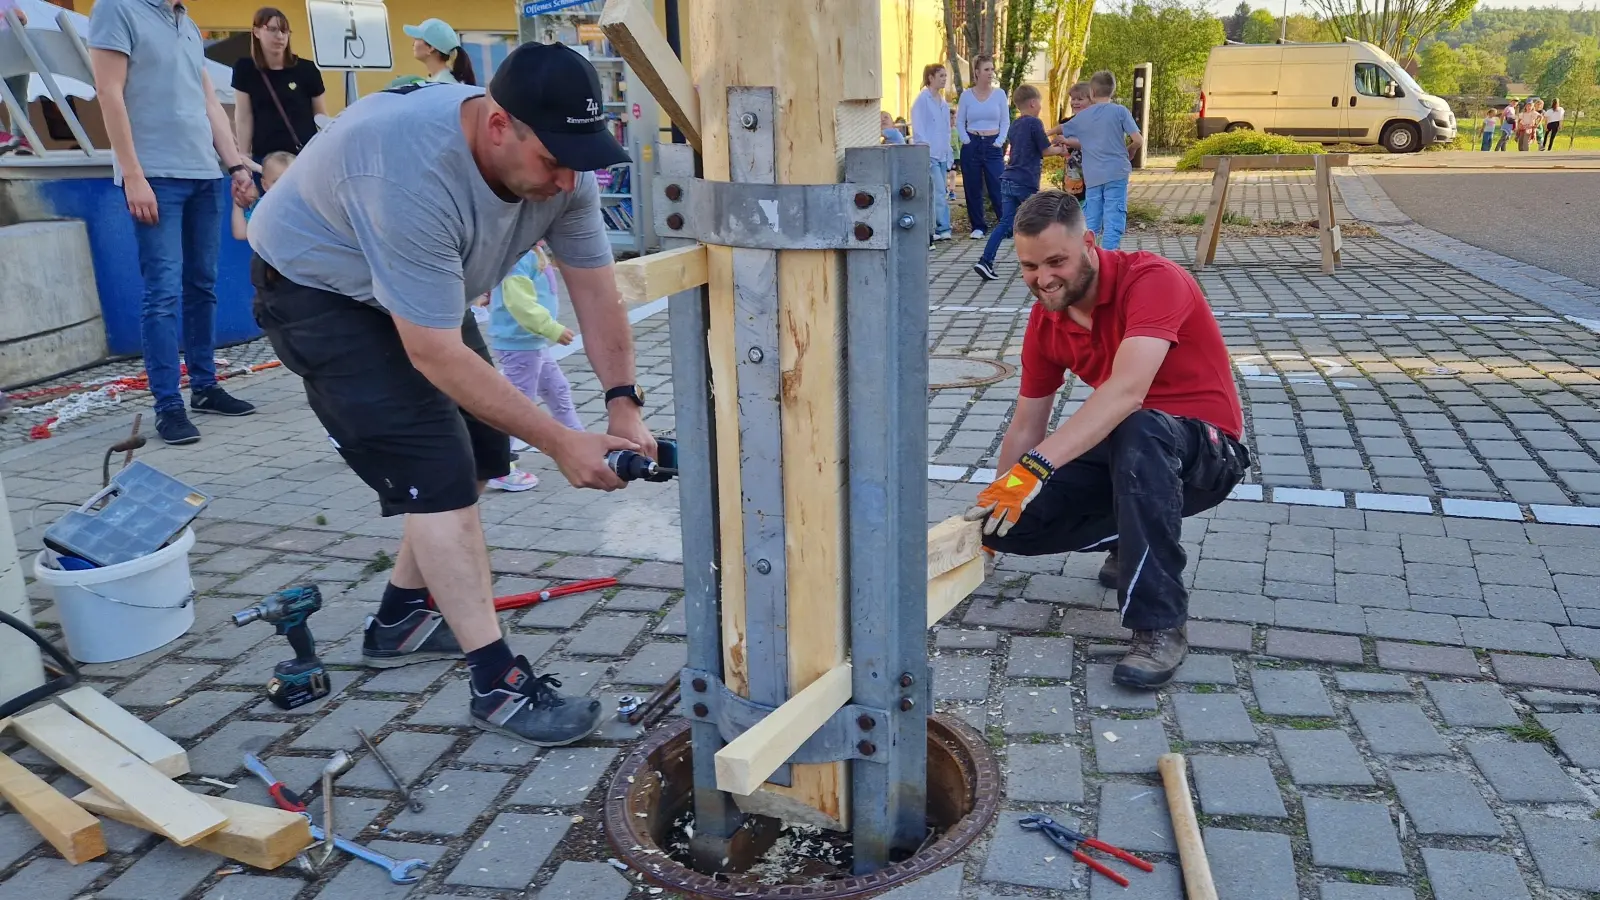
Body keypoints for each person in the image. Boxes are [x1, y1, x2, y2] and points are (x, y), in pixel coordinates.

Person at [248, 42, 654, 747]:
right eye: (552, 161)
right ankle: (496, 684)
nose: (565, 183)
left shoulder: (567, 170)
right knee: (434, 470)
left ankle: (401, 619)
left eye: (576, 162)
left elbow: (596, 294)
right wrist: (561, 441)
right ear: (499, 125)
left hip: (410, 286)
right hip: (318, 289)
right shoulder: (408, 172)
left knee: (481, 451)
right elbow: (431, 350)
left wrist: (623, 403)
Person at [966, 190, 1247, 688]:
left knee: (1139, 425)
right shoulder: (1045, 321)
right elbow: (1028, 424)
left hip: (1208, 453)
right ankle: (1129, 538)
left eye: (1057, 261)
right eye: (1030, 267)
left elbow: (1126, 392)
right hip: (1134, 452)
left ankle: (1160, 625)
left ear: (1089, 244)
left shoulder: (1153, 280)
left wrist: (1033, 470)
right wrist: (994, 514)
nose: (1044, 279)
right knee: (1007, 524)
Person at [89, 0, 260, 446]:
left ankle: (204, 387)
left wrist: (236, 167)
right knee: (161, 293)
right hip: (156, 176)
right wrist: (132, 175)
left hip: (203, 173)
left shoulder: (187, 23)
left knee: (202, 285)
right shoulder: (116, 9)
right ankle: (168, 405)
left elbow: (207, 101)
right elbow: (109, 92)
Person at [485, 242, 582, 493]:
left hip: (531, 342)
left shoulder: (531, 252)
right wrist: (552, 328)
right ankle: (499, 465)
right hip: (520, 343)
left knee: (556, 388)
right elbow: (520, 304)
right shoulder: (519, 256)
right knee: (518, 404)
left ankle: (578, 442)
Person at [972, 85, 1064, 281]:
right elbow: (1045, 150)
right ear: (1033, 103)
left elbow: (1030, 146)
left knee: (1006, 223)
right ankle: (1045, 263)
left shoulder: (1015, 125)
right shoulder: (1035, 123)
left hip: (1008, 179)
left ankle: (985, 260)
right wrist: (1061, 148)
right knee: (1040, 221)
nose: (1040, 106)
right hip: (1025, 181)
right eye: (1039, 102)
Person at [1053, 71, 1142, 251]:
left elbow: (1062, 128)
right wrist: (1130, 151)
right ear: (1113, 91)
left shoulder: (1083, 117)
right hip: (1116, 173)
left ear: (1092, 93)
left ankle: (1088, 257)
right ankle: (1110, 257)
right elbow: (1138, 140)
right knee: (1113, 217)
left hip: (1092, 176)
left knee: (1091, 219)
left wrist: (1042, 133)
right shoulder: (1120, 111)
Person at [232, 7, 325, 164]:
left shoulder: (306, 69)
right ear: (256, 32)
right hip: (265, 159)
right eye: (272, 29)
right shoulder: (245, 69)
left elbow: (320, 115)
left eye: (284, 30)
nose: (280, 36)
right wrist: (244, 157)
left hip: (303, 156)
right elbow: (243, 117)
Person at [955, 55, 1007, 239]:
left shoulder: (999, 94)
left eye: (992, 69)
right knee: (972, 186)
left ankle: (1005, 224)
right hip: (973, 143)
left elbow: (1005, 121)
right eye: (986, 69)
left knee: (998, 185)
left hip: (993, 144)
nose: (990, 73)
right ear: (977, 72)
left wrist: (999, 141)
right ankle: (978, 226)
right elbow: (959, 121)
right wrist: (966, 140)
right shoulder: (967, 96)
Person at [911, 63, 953, 242]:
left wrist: (949, 152)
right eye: (941, 76)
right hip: (930, 154)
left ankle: (936, 226)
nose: (944, 79)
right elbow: (919, 128)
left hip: (942, 153)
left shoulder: (942, 102)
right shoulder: (922, 100)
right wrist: (925, 149)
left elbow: (946, 129)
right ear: (931, 78)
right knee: (937, 191)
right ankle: (943, 227)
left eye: (945, 76)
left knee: (939, 191)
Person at [231, 150, 293, 240]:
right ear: (265, 185)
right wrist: (238, 200)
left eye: (289, 181)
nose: (283, 186)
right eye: (276, 181)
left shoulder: (304, 207)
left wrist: (257, 167)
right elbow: (241, 233)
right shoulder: (262, 207)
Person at [1051, 82, 1091, 204]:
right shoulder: (1066, 124)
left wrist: (1067, 141)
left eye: (1080, 99)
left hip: (1090, 175)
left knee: (1089, 206)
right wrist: (1061, 149)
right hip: (1072, 175)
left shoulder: (1094, 124)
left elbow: (1088, 143)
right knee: (1073, 205)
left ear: (1092, 101)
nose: (1075, 102)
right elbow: (1065, 151)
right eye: (1073, 99)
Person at [405, 18, 476, 86]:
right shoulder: (438, 80)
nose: (413, 44)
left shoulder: (445, 83)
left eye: (417, 39)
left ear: (431, 48)